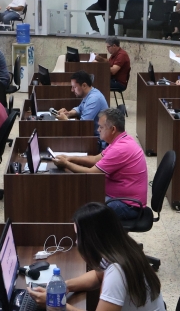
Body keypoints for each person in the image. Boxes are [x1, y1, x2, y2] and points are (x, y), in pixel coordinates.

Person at [27, 202, 165, 311]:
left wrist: (57, 305)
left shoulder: (117, 272)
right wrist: (64, 286)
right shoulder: (122, 248)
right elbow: (98, 275)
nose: (76, 242)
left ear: (91, 240)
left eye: (78, 236)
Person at [52, 109, 148, 220]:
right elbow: (95, 159)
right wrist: (70, 158)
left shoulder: (120, 148)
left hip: (127, 206)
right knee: (82, 194)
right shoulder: (121, 140)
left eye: (101, 127)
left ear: (113, 129)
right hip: (121, 199)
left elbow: (92, 173)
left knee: (84, 208)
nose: (98, 130)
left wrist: (66, 164)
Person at [56, 70, 109, 135]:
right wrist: (69, 113)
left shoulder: (94, 99)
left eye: (74, 87)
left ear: (84, 85)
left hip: (97, 138)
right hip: (90, 134)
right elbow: (80, 108)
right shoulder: (89, 94)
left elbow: (83, 125)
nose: (72, 90)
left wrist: (65, 120)